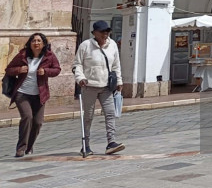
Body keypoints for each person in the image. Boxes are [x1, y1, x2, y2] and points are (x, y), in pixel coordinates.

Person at [4, 33, 61, 157]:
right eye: (34, 41)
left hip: (40, 95)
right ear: (30, 43)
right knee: (27, 117)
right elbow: (8, 69)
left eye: (39, 41)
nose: (36, 43)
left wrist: (45, 71)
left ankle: (29, 147)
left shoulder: (49, 56)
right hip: (22, 93)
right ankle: (21, 148)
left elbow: (57, 70)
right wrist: (19, 70)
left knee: (38, 122)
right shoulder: (23, 55)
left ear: (44, 44)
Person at [72, 20, 125, 155]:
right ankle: (86, 145)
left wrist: (119, 81)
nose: (105, 34)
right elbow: (77, 64)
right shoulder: (85, 46)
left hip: (106, 86)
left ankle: (111, 142)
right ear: (94, 33)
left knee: (110, 113)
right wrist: (80, 78)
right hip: (89, 86)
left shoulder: (112, 45)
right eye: (102, 32)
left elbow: (116, 65)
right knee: (88, 116)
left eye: (107, 31)